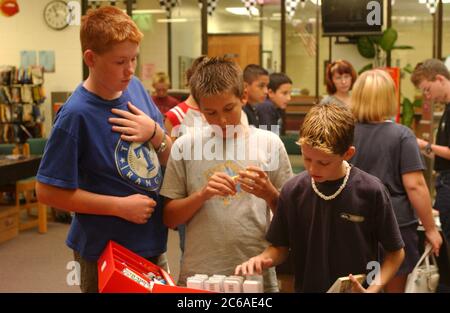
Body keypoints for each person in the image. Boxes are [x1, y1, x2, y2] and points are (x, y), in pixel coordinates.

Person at [35, 6, 172, 293]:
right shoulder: (75, 115)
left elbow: (166, 153)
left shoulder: (134, 87)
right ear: (91, 59)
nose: (130, 69)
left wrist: (156, 133)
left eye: (134, 58)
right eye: (120, 61)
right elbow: (46, 191)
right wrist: (119, 206)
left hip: (151, 240)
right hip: (104, 249)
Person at [235, 103, 405, 293]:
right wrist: (261, 259)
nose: (313, 169)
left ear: (348, 154)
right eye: (307, 159)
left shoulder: (371, 191)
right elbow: (280, 247)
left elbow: (395, 253)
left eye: (323, 162)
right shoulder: (293, 191)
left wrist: (373, 289)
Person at [160, 57, 293, 292]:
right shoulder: (184, 147)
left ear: (243, 97)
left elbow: (292, 220)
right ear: (198, 109)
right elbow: (169, 218)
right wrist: (202, 194)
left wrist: (269, 193)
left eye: (228, 109)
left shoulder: (269, 144)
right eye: (210, 112)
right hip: (199, 275)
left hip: (255, 275)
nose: (221, 120)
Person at [350, 69, 442, 293]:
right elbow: (415, 185)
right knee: (394, 286)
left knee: (362, 284)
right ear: (390, 97)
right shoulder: (401, 135)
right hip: (394, 225)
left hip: (354, 222)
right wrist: (430, 228)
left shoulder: (345, 132)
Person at [411, 59, 450, 245]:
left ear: (440, 79)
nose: (428, 95)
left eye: (428, 89)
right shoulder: (446, 110)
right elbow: (441, 154)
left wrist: (423, 144)